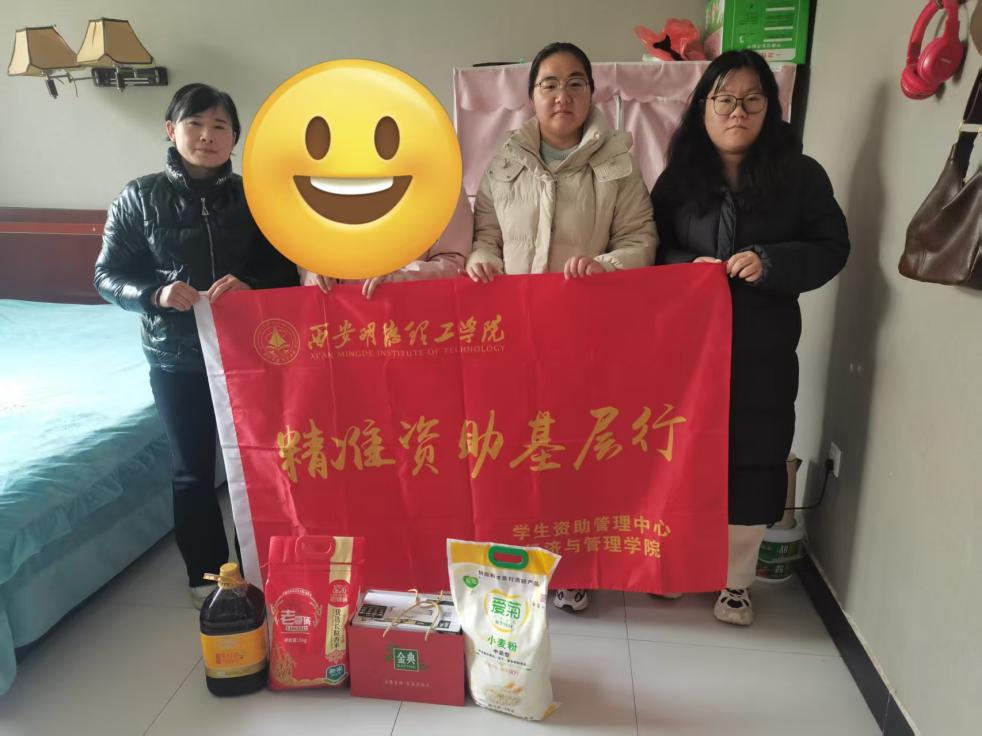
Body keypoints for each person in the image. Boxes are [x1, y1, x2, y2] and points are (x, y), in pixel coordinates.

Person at [649, 50, 849, 625]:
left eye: (752, 99)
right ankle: (679, 565)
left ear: (769, 107)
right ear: (703, 106)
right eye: (724, 99)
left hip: (763, 349)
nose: (737, 112)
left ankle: (735, 583)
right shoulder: (679, 178)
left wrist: (770, 261)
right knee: (684, 455)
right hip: (688, 352)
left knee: (754, 459)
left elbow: (832, 248)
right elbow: (650, 247)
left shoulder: (800, 176)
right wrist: (688, 268)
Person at [466, 41, 657, 612]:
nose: (562, 95)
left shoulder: (617, 164)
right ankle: (518, 563)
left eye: (576, 83)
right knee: (514, 451)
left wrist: (606, 265)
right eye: (549, 83)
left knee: (574, 451)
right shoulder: (505, 162)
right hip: (514, 336)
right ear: (531, 96)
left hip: (585, 335)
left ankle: (574, 568)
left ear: (591, 93)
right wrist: (482, 259)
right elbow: (485, 235)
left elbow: (641, 240)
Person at [94, 83, 299, 609]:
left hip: (250, 357)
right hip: (175, 358)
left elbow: (286, 270)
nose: (207, 136)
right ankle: (208, 577)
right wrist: (155, 294)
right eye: (195, 124)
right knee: (192, 470)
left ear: (235, 138)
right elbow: (108, 276)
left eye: (219, 126)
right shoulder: (138, 197)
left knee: (259, 466)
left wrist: (252, 286)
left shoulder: (256, 198)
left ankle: (259, 570)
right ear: (172, 130)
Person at [300, 188, 473, 296]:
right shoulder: (329, 186)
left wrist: (394, 278)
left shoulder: (445, 186)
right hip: (345, 320)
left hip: (417, 320)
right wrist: (317, 274)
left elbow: (452, 266)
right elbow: (307, 254)